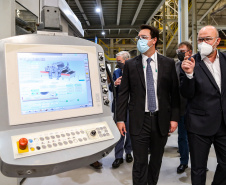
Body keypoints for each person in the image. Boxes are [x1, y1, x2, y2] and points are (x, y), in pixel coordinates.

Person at [116, 24, 180, 185]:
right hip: (139, 120)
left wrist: (174, 118)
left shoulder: (168, 63)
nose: (140, 41)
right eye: (138, 38)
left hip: (161, 120)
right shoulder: (131, 64)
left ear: (154, 41)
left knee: (156, 160)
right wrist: (120, 119)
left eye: (143, 38)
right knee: (140, 162)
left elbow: (174, 93)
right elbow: (123, 94)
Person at [180, 25, 226, 185]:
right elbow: (186, 94)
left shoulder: (225, 60)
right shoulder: (190, 62)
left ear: (217, 41)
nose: (203, 43)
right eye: (200, 39)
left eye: (207, 39)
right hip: (199, 126)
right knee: (198, 169)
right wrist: (189, 75)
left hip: (223, 124)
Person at [109, 51, 133, 168]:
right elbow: (109, 88)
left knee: (129, 132)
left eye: (120, 61)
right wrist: (115, 83)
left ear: (127, 60)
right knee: (119, 133)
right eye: (117, 61)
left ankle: (128, 152)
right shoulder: (116, 72)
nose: (118, 63)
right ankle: (118, 156)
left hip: (131, 107)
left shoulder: (134, 72)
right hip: (119, 107)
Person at [175, 41, 192, 173]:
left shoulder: (197, 65)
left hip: (194, 108)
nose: (180, 53)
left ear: (189, 52)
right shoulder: (175, 66)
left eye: (182, 51)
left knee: (197, 137)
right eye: (178, 51)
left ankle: (199, 161)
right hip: (180, 108)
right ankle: (184, 161)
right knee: (182, 136)